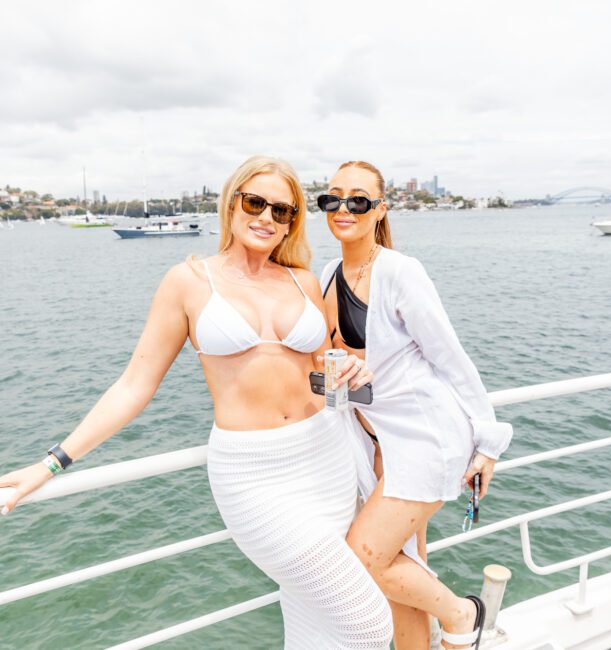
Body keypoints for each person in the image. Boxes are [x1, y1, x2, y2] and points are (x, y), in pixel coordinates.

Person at [0, 156, 394, 650]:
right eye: (255, 202)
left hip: (325, 457)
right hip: (254, 477)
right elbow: (134, 386)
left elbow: (323, 374)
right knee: (368, 622)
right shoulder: (188, 282)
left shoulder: (302, 281)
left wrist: (354, 369)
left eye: (282, 211)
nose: (266, 218)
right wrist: (51, 464)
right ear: (231, 203)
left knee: (311, 617)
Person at [318, 161, 514, 650]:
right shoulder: (328, 274)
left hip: (427, 438)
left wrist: (488, 443)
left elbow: (452, 360)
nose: (344, 208)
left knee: (363, 559)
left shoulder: (400, 272)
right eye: (333, 198)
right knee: (401, 579)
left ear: (379, 208)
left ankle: (464, 614)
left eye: (358, 199)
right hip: (380, 443)